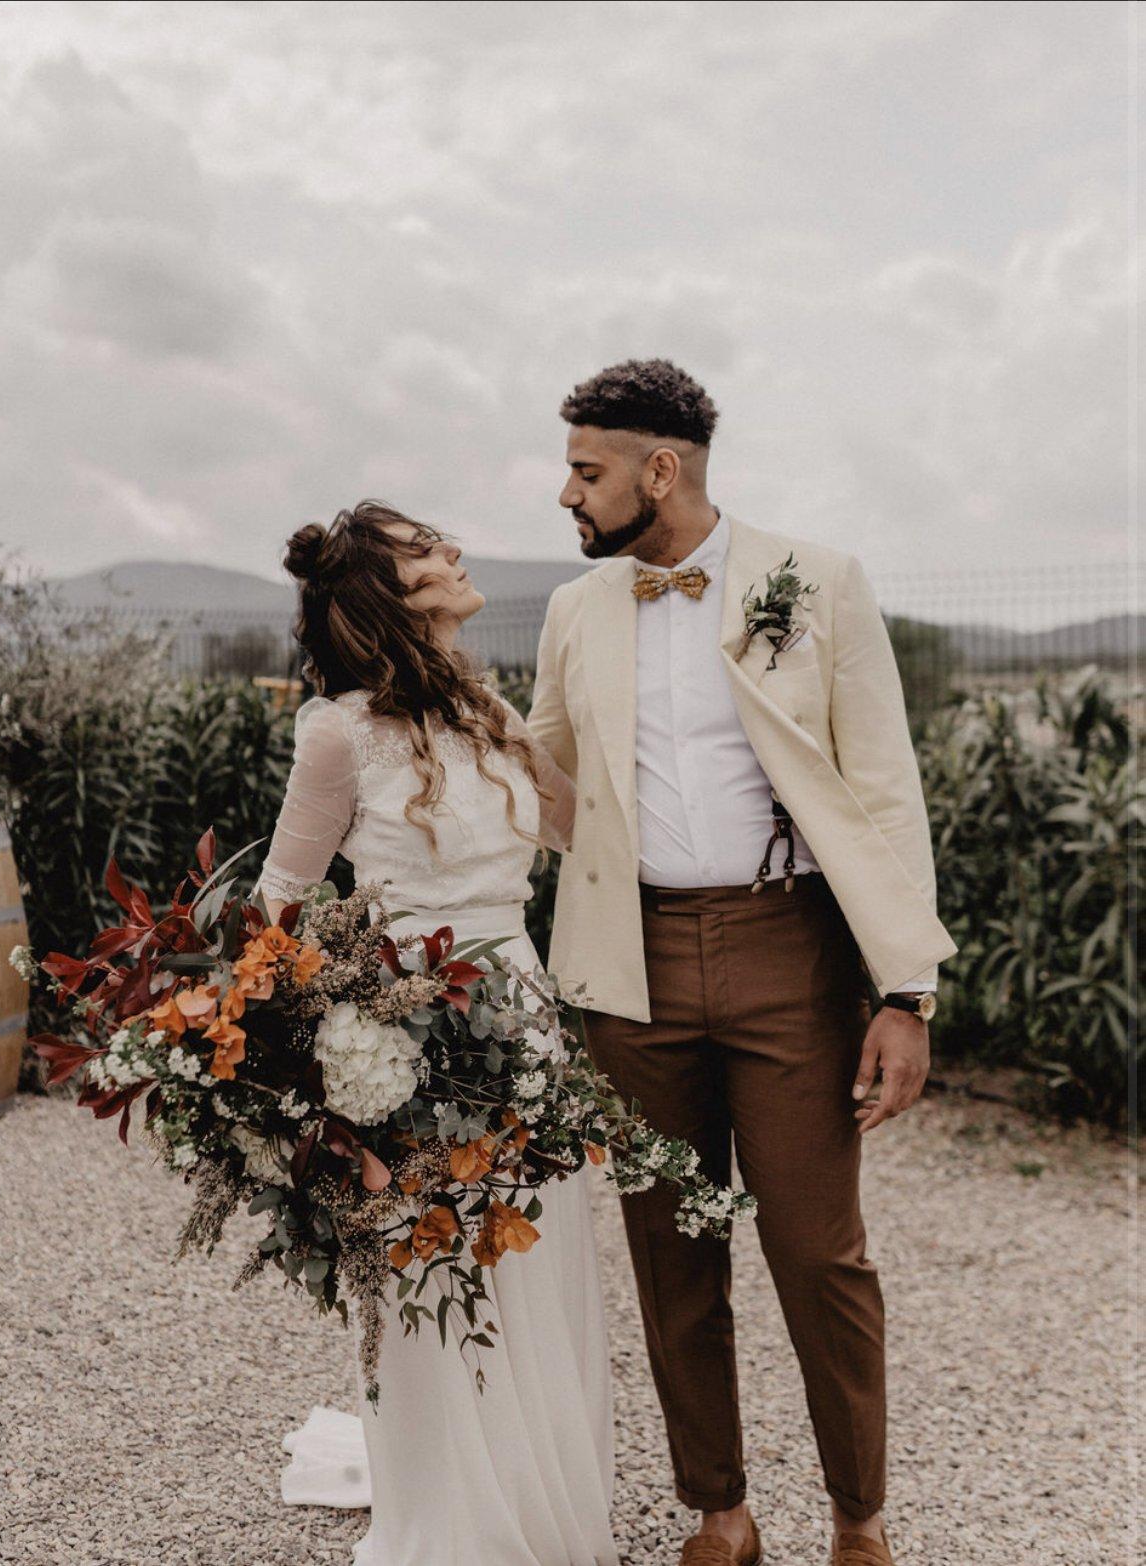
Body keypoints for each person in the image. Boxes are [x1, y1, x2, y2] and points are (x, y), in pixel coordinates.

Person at [526, 359, 957, 1566]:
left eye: (586, 470)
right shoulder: (574, 611)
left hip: (791, 953)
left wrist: (906, 993)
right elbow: (547, 789)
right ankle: (719, 1510)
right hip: (631, 966)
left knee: (821, 1255)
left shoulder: (815, 582)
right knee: (672, 1251)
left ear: (661, 471)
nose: (567, 493)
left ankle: (858, 1518)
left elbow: (883, 795)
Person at [252, 500, 618, 1566]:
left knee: (536, 1260)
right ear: (390, 594)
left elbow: (580, 822)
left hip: (525, 1018)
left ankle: (546, 1497)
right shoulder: (338, 733)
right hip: (410, 1039)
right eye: (428, 549)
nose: (456, 551)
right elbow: (279, 910)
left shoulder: (486, 711)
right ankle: (459, 1517)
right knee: (435, 1266)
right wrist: (326, 1064)